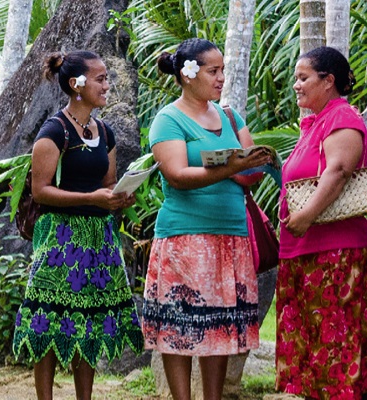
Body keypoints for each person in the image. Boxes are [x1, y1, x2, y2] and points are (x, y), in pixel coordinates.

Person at [140, 38, 271, 400]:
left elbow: (248, 171)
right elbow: (177, 174)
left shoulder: (230, 116)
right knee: (179, 325)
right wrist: (230, 166)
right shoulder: (168, 119)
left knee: (220, 327)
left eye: (223, 70)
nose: (221, 78)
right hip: (186, 237)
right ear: (187, 74)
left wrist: (252, 165)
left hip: (231, 235)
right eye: (213, 71)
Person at [10, 50, 144, 400]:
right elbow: (41, 192)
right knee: (50, 320)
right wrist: (92, 199)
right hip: (60, 240)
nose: (107, 84)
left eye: (106, 78)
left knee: (89, 322)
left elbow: (109, 182)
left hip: (99, 238)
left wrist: (119, 198)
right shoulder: (54, 131)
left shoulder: (106, 132)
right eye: (100, 78)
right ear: (76, 84)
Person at [275, 45, 367, 400]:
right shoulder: (315, 123)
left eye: (303, 78)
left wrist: (304, 216)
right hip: (304, 247)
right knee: (311, 341)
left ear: (328, 81)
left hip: (334, 250)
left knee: (335, 342)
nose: (297, 86)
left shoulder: (343, 117)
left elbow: (337, 171)